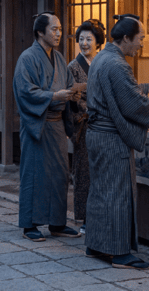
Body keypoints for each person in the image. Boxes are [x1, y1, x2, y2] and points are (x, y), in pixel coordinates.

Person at [85, 14, 149, 269]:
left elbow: (122, 91)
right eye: (140, 39)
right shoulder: (117, 65)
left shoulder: (104, 58)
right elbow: (132, 104)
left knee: (100, 191)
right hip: (110, 138)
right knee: (118, 192)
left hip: (97, 134)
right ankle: (118, 253)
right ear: (126, 38)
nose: (142, 44)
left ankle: (96, 244)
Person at [13, 12, 80, 242]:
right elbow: (25, 91)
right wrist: (53, 96)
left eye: (60, 29)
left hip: (57, 125)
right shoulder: (27, 58)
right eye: (54, 29)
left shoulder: (60, 59)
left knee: (60, 175)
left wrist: (72, 94)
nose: (59, 33)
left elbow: (69, 84)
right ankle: (29, 224)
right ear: (40, 32)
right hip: (37, 125)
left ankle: (57, 223)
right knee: (34, 174)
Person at [67, 19, 106, 234]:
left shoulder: (102, 62)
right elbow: (73, 97)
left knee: (100, 171)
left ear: (98, 42)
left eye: (89, 39)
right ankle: (83, 218)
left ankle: (99, 215)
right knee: (83, 172)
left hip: (102, 125)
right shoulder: (73, 67)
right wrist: (88, 111)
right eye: (81, 39)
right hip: (84, 124)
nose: (84, 43)